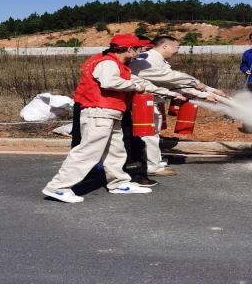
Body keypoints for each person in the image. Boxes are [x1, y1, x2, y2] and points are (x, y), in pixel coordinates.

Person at [42, 34, 185, 203]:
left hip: (111, 112)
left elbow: (140, 82)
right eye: (138, 49)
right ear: (129, 49)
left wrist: (169, 93)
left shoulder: (119, 65)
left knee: (115, 150)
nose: (141, 52)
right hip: (99, 111)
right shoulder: (107, 63)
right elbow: (109, 82)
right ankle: (58, 187)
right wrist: (137, 87)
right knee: (89, 151)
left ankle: (119, 183)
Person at [129, 35, 224, 175]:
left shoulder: (158, 60)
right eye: (177, 47)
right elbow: (171, 79)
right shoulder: (147, 59)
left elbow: (174, 84)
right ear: (165, 46)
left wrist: (207, 92)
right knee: (149, 134)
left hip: (150, 101)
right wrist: (198, 85)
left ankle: (150, 162)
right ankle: (151, 166)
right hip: (142, 102)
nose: (178, 51)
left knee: (151, 134)